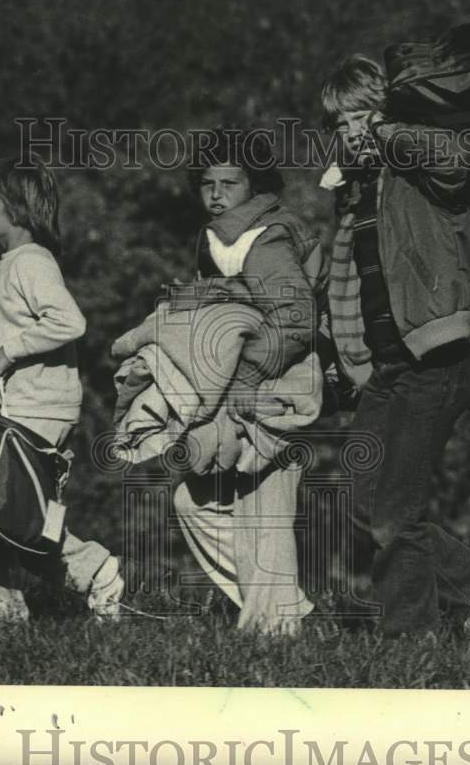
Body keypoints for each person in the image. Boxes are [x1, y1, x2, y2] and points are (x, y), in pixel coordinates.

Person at [319, 55, 470, 640]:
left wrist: (386, 131)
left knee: (393, 514)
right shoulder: (357, 191)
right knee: (361, 502)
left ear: (390, 115)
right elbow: (348, 283)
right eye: (338, 123)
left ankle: (410, 640)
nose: (348, 132)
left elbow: (456, 161)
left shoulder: (419, 171)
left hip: (436, 360)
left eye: (360, 116)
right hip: (386, 369)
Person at [169, 128, 325, 635]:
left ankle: (274, 632)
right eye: (207, 183)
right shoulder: (221, 237)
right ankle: (288, 613)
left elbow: (296, 319)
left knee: (263, 506)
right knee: (194, 502)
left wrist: (247, 375)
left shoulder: (263, 236)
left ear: (254, 187)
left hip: (281, 382)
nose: (215, 193)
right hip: (249, 384)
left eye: (229, 183)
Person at [0, 155, 123, 624]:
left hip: (38, 409)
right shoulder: (4, 265)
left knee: (0, 514)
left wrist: (7, 354)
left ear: (14, 208)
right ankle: (9, 617)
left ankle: (87, 575)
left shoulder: (32, 262)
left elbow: (70, 322)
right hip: (12, 406)